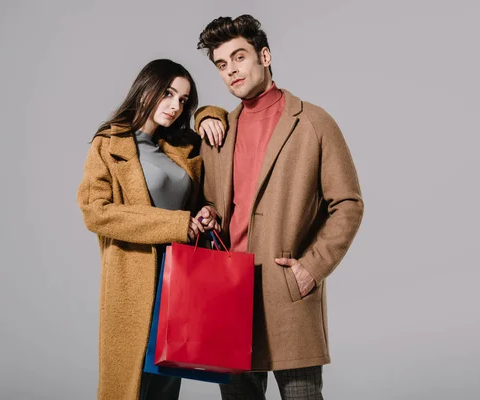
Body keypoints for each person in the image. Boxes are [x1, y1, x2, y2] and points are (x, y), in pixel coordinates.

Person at [193, 15, 365, 400]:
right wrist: (208, 213)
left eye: (239, 57)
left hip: (286, 293)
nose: (231, 71)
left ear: (265, 55)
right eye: (222, 65)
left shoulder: (314, 123)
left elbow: (348, 204)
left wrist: (311, 268)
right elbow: (211, 200)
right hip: (229, 295)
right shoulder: (218, 132)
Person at [77, 59, 222, 400]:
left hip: (182, 278)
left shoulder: (182, 146)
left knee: (166, 386)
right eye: (168, 94)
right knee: (132, 387)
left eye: (184, 100)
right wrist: (176, 225)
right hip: (136, 280)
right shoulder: (109, 144)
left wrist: (205, 213)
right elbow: (95, 212)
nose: (175, 106)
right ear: (146, 89)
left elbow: (204, 196)